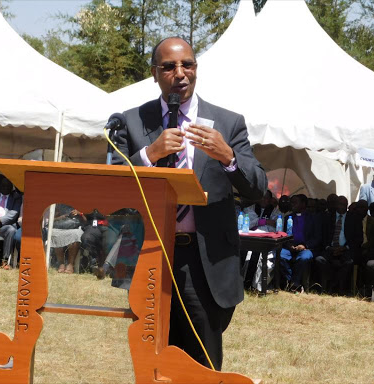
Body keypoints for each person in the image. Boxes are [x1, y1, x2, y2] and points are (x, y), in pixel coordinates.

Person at [111, 36, 267, 370]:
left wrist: (229, 158)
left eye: (188, 64)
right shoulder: (132, 121)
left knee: (201, 362)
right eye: (169, 66)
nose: (180, 73)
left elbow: (258, 188)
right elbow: (109, 185)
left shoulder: (228, 123)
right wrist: (149, 154)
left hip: (205, 259)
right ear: (155, 73)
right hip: (151, 253)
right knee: (153, 357)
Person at [315, 196, 362, 295]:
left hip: (346, 249)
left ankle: (336, 287)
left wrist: (344, 248)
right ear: (336, 205)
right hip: (330, 249)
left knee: (349, 262)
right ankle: (332, 284)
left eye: (345, 205)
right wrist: (329, 248)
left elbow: (358, 239)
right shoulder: (328, 217)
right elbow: (322, 236)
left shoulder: (354, 218)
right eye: (340, 204)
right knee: (319, 260)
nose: (342, 207)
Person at [280, 194, 322, 292]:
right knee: (280, 255)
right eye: (292, 202)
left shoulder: (313, 218)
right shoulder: (287, 218)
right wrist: (288, 245)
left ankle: (295, 283)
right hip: (290, 247)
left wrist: (304, 245)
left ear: (303, 204)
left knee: (304, 258)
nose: (292, 204)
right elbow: (283, 234)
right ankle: (291, 281)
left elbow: (317, 237)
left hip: (306, 248)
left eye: (295, 202)